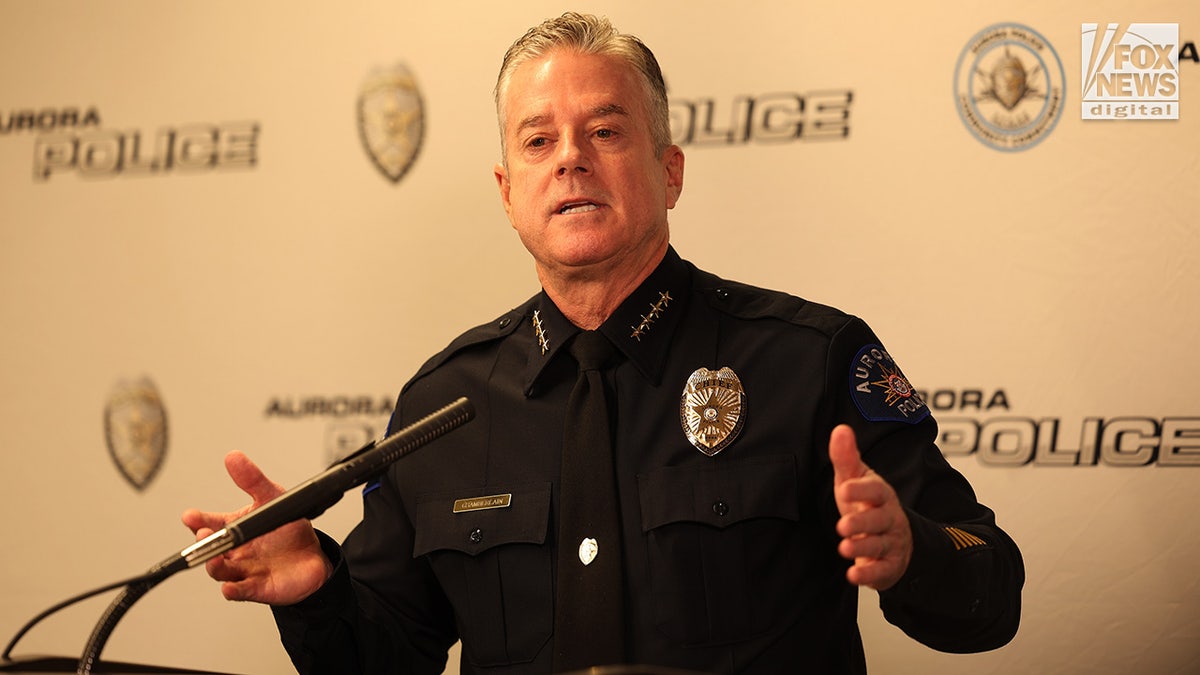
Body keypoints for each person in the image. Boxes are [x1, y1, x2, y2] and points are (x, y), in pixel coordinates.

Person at [183, 12, 1023, 674]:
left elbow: (993, 594)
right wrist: (316, 589)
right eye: (539, 140)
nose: (572, 160)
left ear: (671, 171)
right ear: (509, 194)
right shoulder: (443, 406)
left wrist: (912, 549)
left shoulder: (810, 360)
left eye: (607, 131)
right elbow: (387, 656)